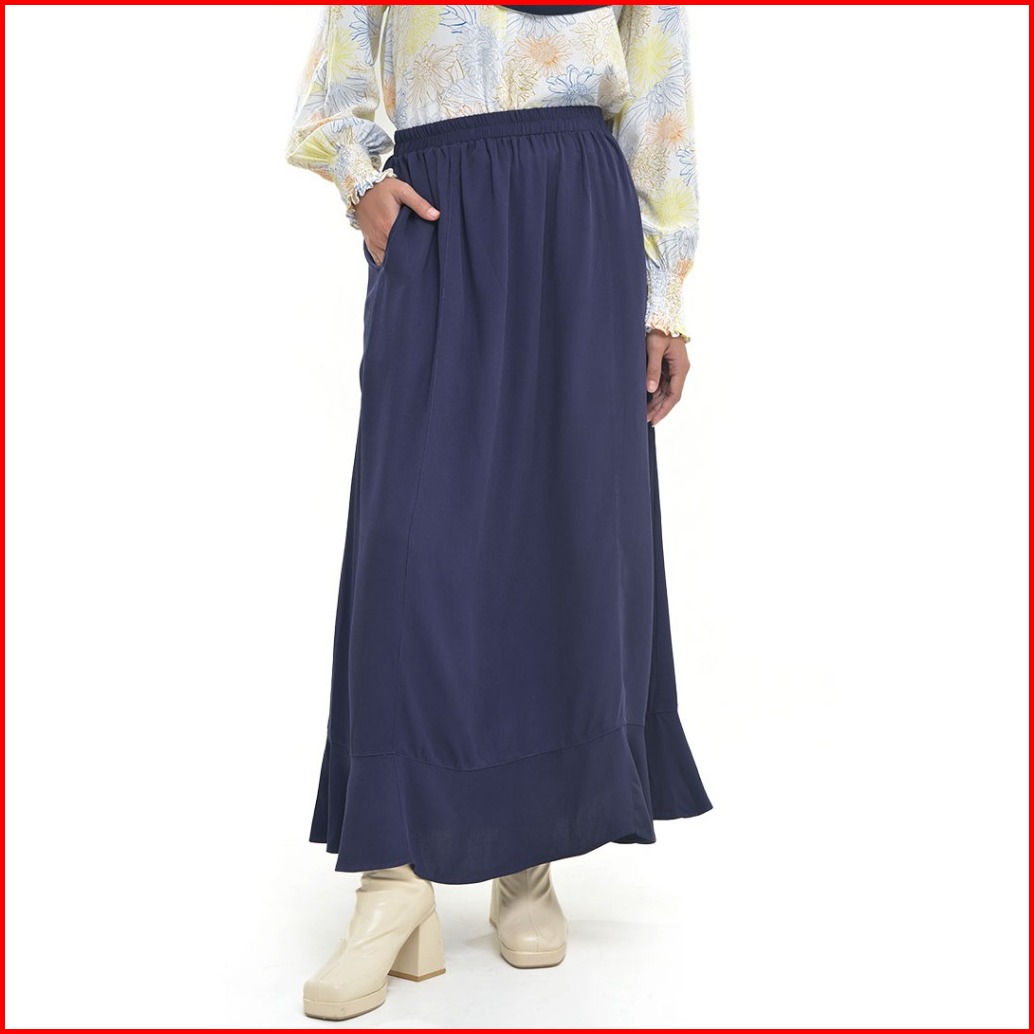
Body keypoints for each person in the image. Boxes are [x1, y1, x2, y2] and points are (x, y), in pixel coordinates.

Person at [284, 4, 713, 1021]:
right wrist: (361, 181)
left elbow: (657, 91)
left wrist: (663, 295)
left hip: (582, 216)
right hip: (440, 209)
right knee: (409, 542)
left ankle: (529, 846)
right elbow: (341, 62)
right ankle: (391, 878)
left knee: (557, 536)